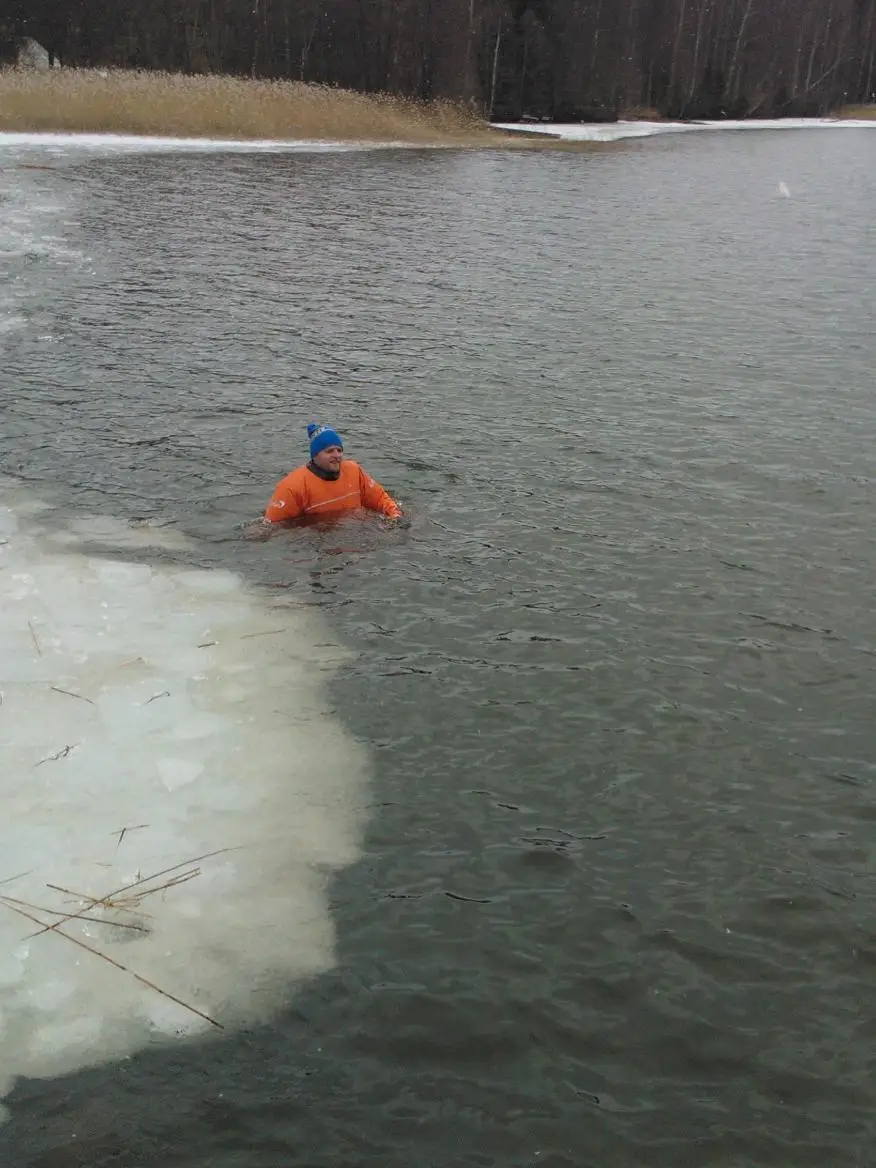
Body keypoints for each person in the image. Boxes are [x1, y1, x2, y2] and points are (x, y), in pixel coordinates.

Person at [262, 422, 403, 525]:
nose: (337, 455)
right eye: (329, 451)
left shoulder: (354, 470)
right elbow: (272, 526)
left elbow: (380, 499)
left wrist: (395, 516)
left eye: (339, 450)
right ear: (315, 455)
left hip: (355, 534)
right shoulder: (292, 486)